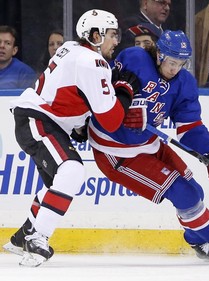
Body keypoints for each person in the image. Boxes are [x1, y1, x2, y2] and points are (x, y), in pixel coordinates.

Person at [88, 30, 209, 263]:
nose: (174, 69)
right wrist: (123, 107)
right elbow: (99, 87)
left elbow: (191, 128)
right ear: (159, 54)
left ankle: (198, 241)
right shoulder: (134, 58)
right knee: (183, 194)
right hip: (114, 150)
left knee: (195, 193)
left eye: (181, 64)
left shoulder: (184, 83)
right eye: (171, 62)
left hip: (149, 143)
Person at [2, 9, 135, 267]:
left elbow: (69, 92)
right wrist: (125, 92)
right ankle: (38, 237)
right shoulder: (92, 62)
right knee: (72, 169)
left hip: (38, 119)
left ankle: (24, 236)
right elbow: (110, 120)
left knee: (57, 182)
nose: (116, 41)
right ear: (95, 36)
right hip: (38, 120)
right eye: (112, 35)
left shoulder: (72, 48)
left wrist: (79, 122)